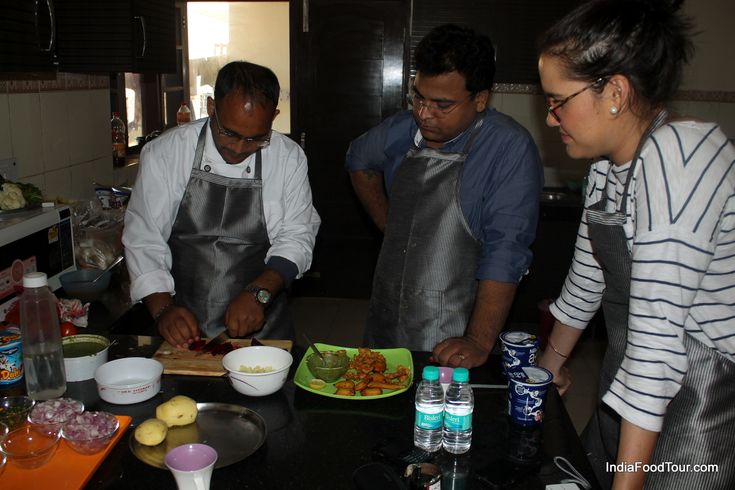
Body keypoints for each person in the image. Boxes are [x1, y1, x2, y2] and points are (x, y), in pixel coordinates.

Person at [535, 1, 735, 489]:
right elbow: (586, 283)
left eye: (559, 99)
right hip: (630, 386)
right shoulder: (607, 166)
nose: (550, 116)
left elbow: (656, 342)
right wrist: (545, 373)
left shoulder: (681, 160)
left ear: (615, 92)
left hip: (696, 401)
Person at [346, 24, 543, 368]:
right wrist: (388, 223)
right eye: (419, 97)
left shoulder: (508, 147)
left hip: (454, 326)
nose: (424, 114)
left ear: (480, 99)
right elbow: (358, 160)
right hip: (387, 308)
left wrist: (477, 340)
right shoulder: (401, 129)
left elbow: (506, 251)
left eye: (442, 105)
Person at [123, 61, 321, 348]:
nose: (239, 149)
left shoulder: (288, 158)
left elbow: (297, 235)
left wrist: (258, 294)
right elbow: (144, 238)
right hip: (181, 325)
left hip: (262, 326)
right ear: (211, 107)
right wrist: (164, 309)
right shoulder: (166, 153)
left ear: (274, 117)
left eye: (255, 138)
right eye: (229, 133)